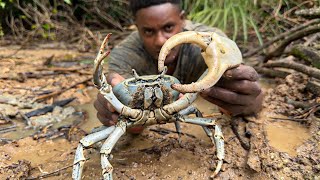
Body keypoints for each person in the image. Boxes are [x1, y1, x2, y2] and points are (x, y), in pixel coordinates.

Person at [94, 0, 263, 133]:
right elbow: (130, 122)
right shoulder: (125, 55)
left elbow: (246, 89)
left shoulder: (210, 45)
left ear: (182, 19)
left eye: (168, 27)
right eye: (148, 31)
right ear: (137, 27)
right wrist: (114, 111)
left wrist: (247, 101)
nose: (161, 41)